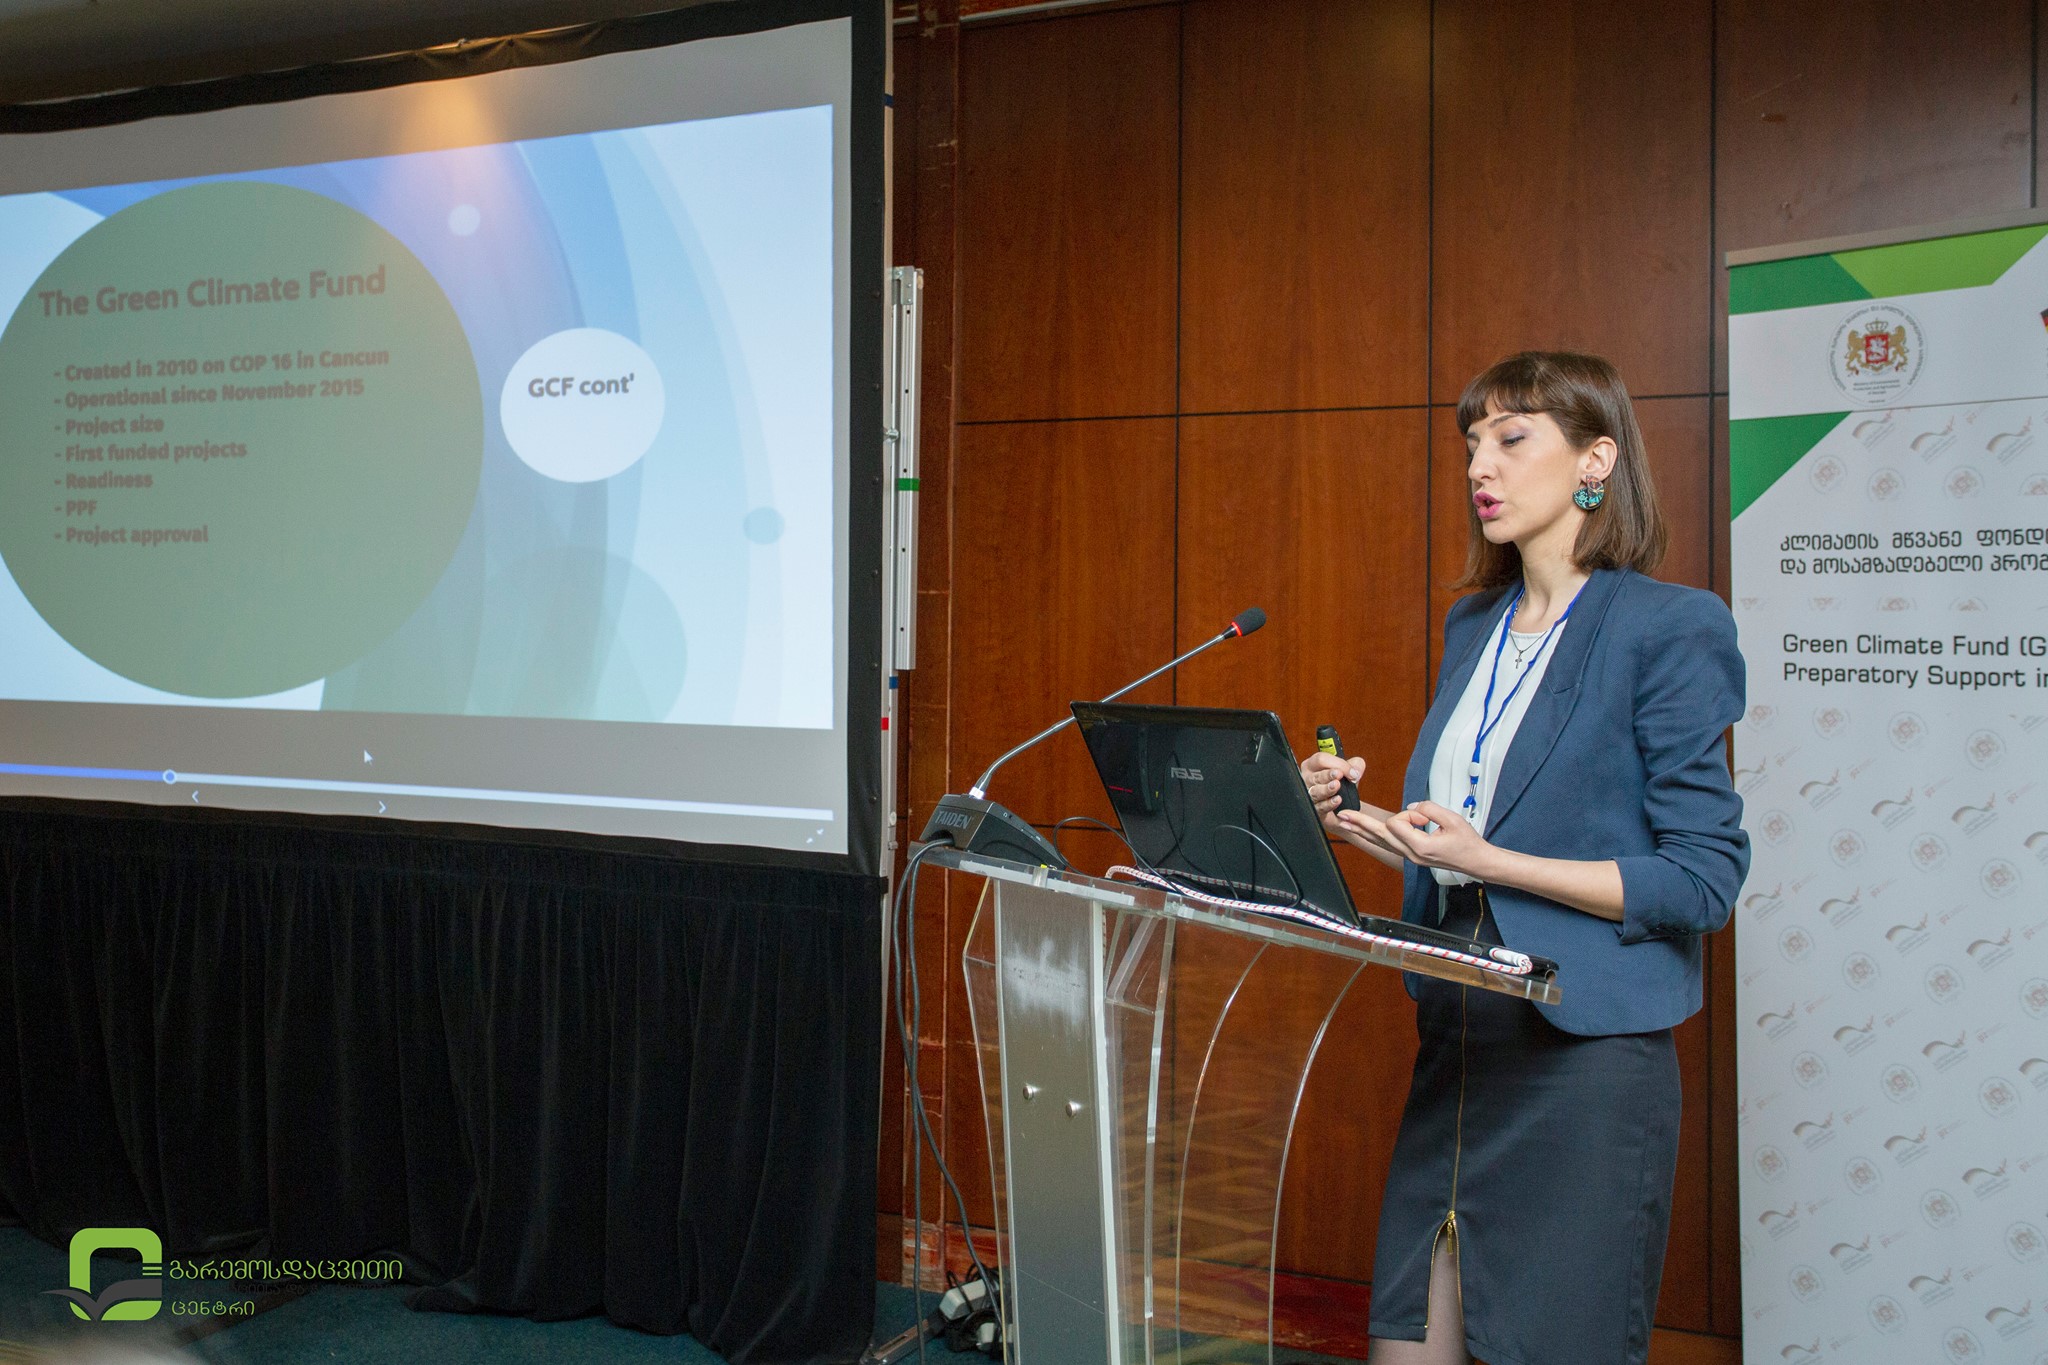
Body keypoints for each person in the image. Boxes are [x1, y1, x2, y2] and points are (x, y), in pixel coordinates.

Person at [1298, 351, 1748, 1365]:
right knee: (1406, 1346)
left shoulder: (1670, 626)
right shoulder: (1475, 625)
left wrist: (1492, 860)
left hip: (1582, 1067)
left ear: (1596, 460)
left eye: (1510, 438)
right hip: (1460, 1048)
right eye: (1470, 444)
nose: (1478, 466)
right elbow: (1463, 847)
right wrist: (1367, 824)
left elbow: (1701, 879)